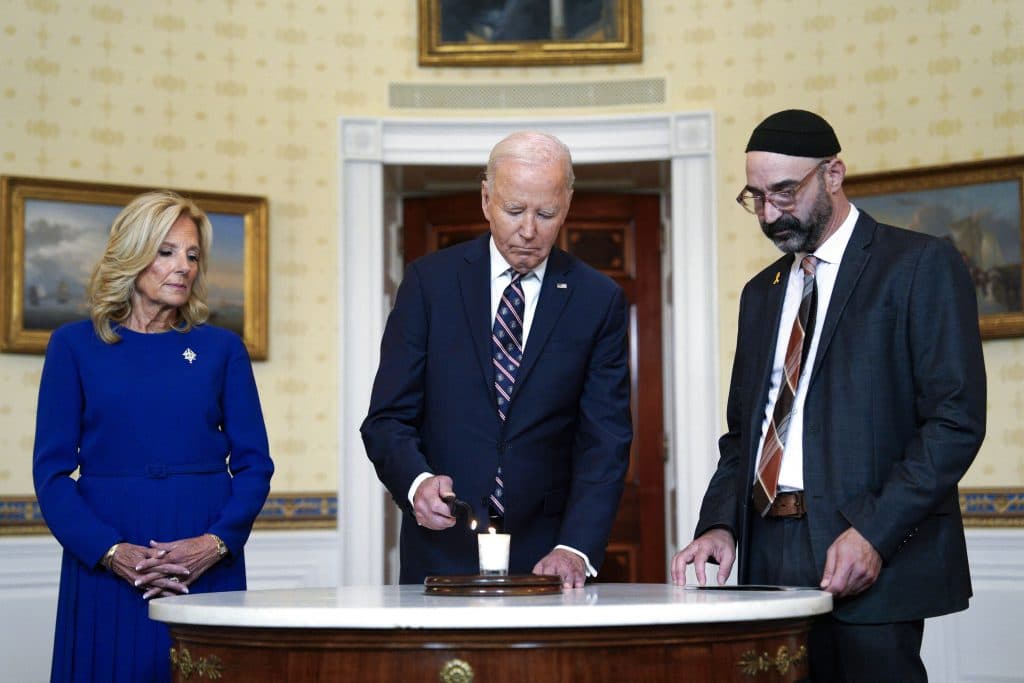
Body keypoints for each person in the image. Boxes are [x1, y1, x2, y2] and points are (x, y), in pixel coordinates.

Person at [671, 109, 986, 681]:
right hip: (767, 555)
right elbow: (745, 434)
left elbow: (954, 421)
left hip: (867, 550)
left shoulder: (917, 265)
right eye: (756, 197)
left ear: (833, 174)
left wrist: (875, 533)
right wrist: (719, 525)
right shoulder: (759, 294)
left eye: (784, 193)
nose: (769, 214)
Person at [361, 131, 632, 588]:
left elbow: (604, 440)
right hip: (442, 549)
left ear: (566, 206)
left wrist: (576, 547)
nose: (529, 230)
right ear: (486, 199)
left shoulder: (597, 299)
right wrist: (416, 483)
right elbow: (387, 419)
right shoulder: (430, 284)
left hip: (547, 554)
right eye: (513, 211)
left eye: (546, 214)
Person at [33, 191, 274, 683]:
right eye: (166, 252)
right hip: (106, 554)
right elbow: (52, 473)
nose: (182, 266)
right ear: (133, 254)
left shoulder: (221, 349)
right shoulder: (74, 346)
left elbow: (254, 465)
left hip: (205, 555)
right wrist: (109, 551)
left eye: (191, 255)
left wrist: (216, 543)